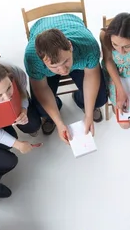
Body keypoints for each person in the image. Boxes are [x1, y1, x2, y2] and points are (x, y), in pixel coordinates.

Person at [24, 14, 107, 142]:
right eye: (55, 67)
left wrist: (89, 114)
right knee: (42, 110)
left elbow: (91, 76)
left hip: (72, 27)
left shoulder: (89, 46)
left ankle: (80, 99)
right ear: (42, 60)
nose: (63, 71)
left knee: (100, 99)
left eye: (65, 61)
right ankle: (54, 108)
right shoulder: (32, 59)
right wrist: (59, 123)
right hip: (40, 27)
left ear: (70, 46)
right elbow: (41, 88)